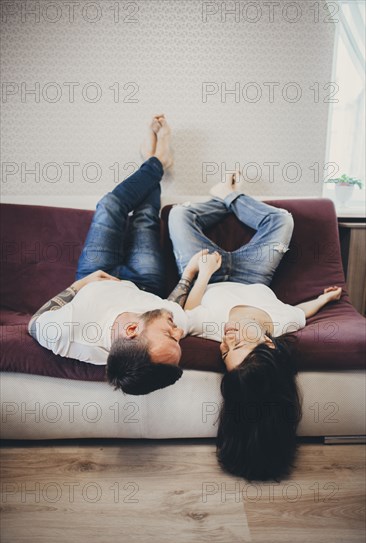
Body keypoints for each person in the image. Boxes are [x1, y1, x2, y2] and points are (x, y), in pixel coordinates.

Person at [168, 172, 342, 482]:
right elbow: (300, 312)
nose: (226, 341)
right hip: (254, 273)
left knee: (178, 214)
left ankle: (225, 196)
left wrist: (204, 274)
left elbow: (188, 309)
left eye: (224, 352)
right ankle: (231, 196)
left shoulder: (212, 328)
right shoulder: (281, 323)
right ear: (270, 343)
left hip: (209, 271)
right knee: (283, 221)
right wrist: (323, 299)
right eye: (239, 345)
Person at [28, 115, 202, 395]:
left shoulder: (66, 335)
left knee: (110, 206)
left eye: (170, 335)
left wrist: (79, 286)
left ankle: (156, 160)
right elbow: (176, 308)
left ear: (132, 329)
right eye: (177, 340)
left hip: (95, 278)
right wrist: (191, 275)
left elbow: (35, 324)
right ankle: (157, 158)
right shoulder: (172, 324)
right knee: (145, 218)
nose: (179, 333)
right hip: (144, 285)